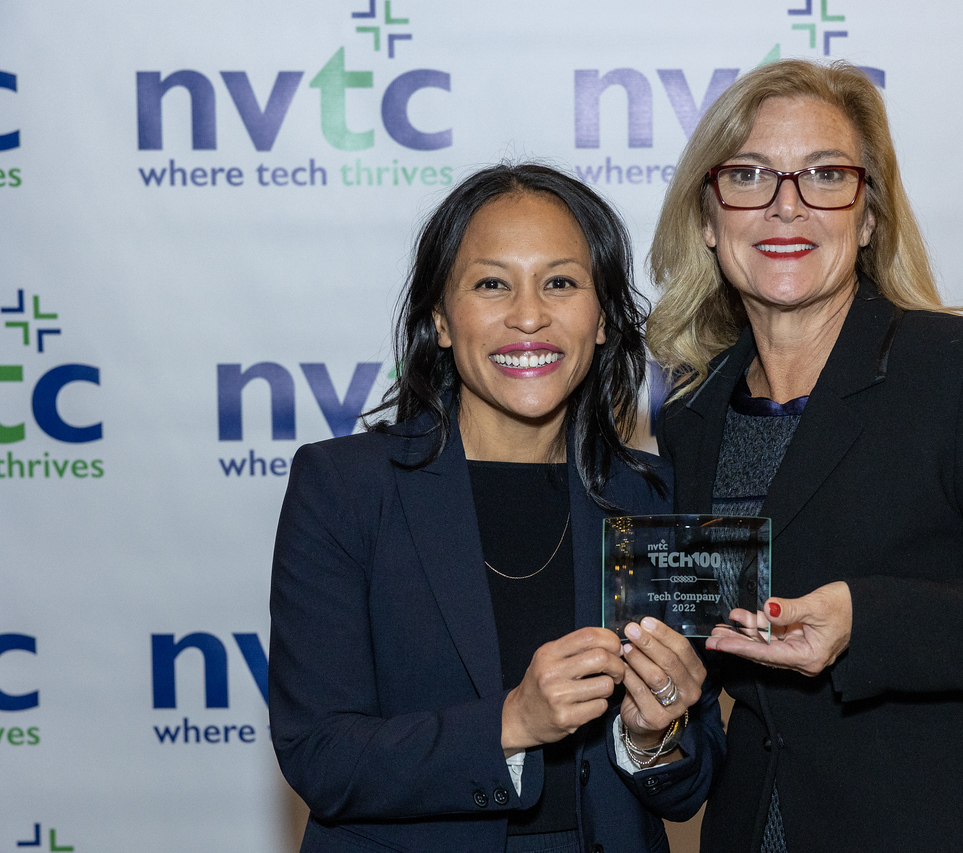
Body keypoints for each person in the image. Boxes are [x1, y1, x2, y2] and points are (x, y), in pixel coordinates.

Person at [646, 60, 963, 853]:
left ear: (870, 216)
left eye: (825, 174)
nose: (787, 204)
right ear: (709, 217)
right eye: (749, 175)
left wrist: (867, 620)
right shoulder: (692, 413)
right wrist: (660, 704)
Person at [269, 163, 724, 853]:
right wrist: (510, 722)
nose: (529, 314)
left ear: (601, 319)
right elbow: (321, 755)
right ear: (441, 321)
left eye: (561, 282)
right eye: (492, 283)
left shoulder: (653, 494)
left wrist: (651, 733)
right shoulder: (345, 487)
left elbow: (690, 782)